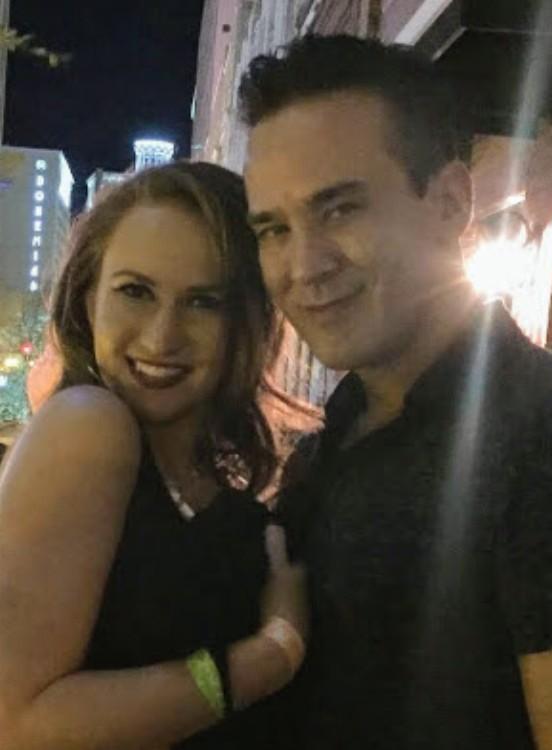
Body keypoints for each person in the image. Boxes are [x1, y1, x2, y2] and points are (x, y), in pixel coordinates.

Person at [239, 35, 552, 750]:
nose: (303, 264)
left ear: (449, 202)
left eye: (340, 210)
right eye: (273, 229)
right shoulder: (333, 448)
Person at [0, 162, 307, 750]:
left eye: (203, 302)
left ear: (246, 321)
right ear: (88, 299)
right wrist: (271, 656)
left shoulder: (204, 479)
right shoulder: (89, 424)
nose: (163, 336)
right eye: (136, 292)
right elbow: (13, 724)